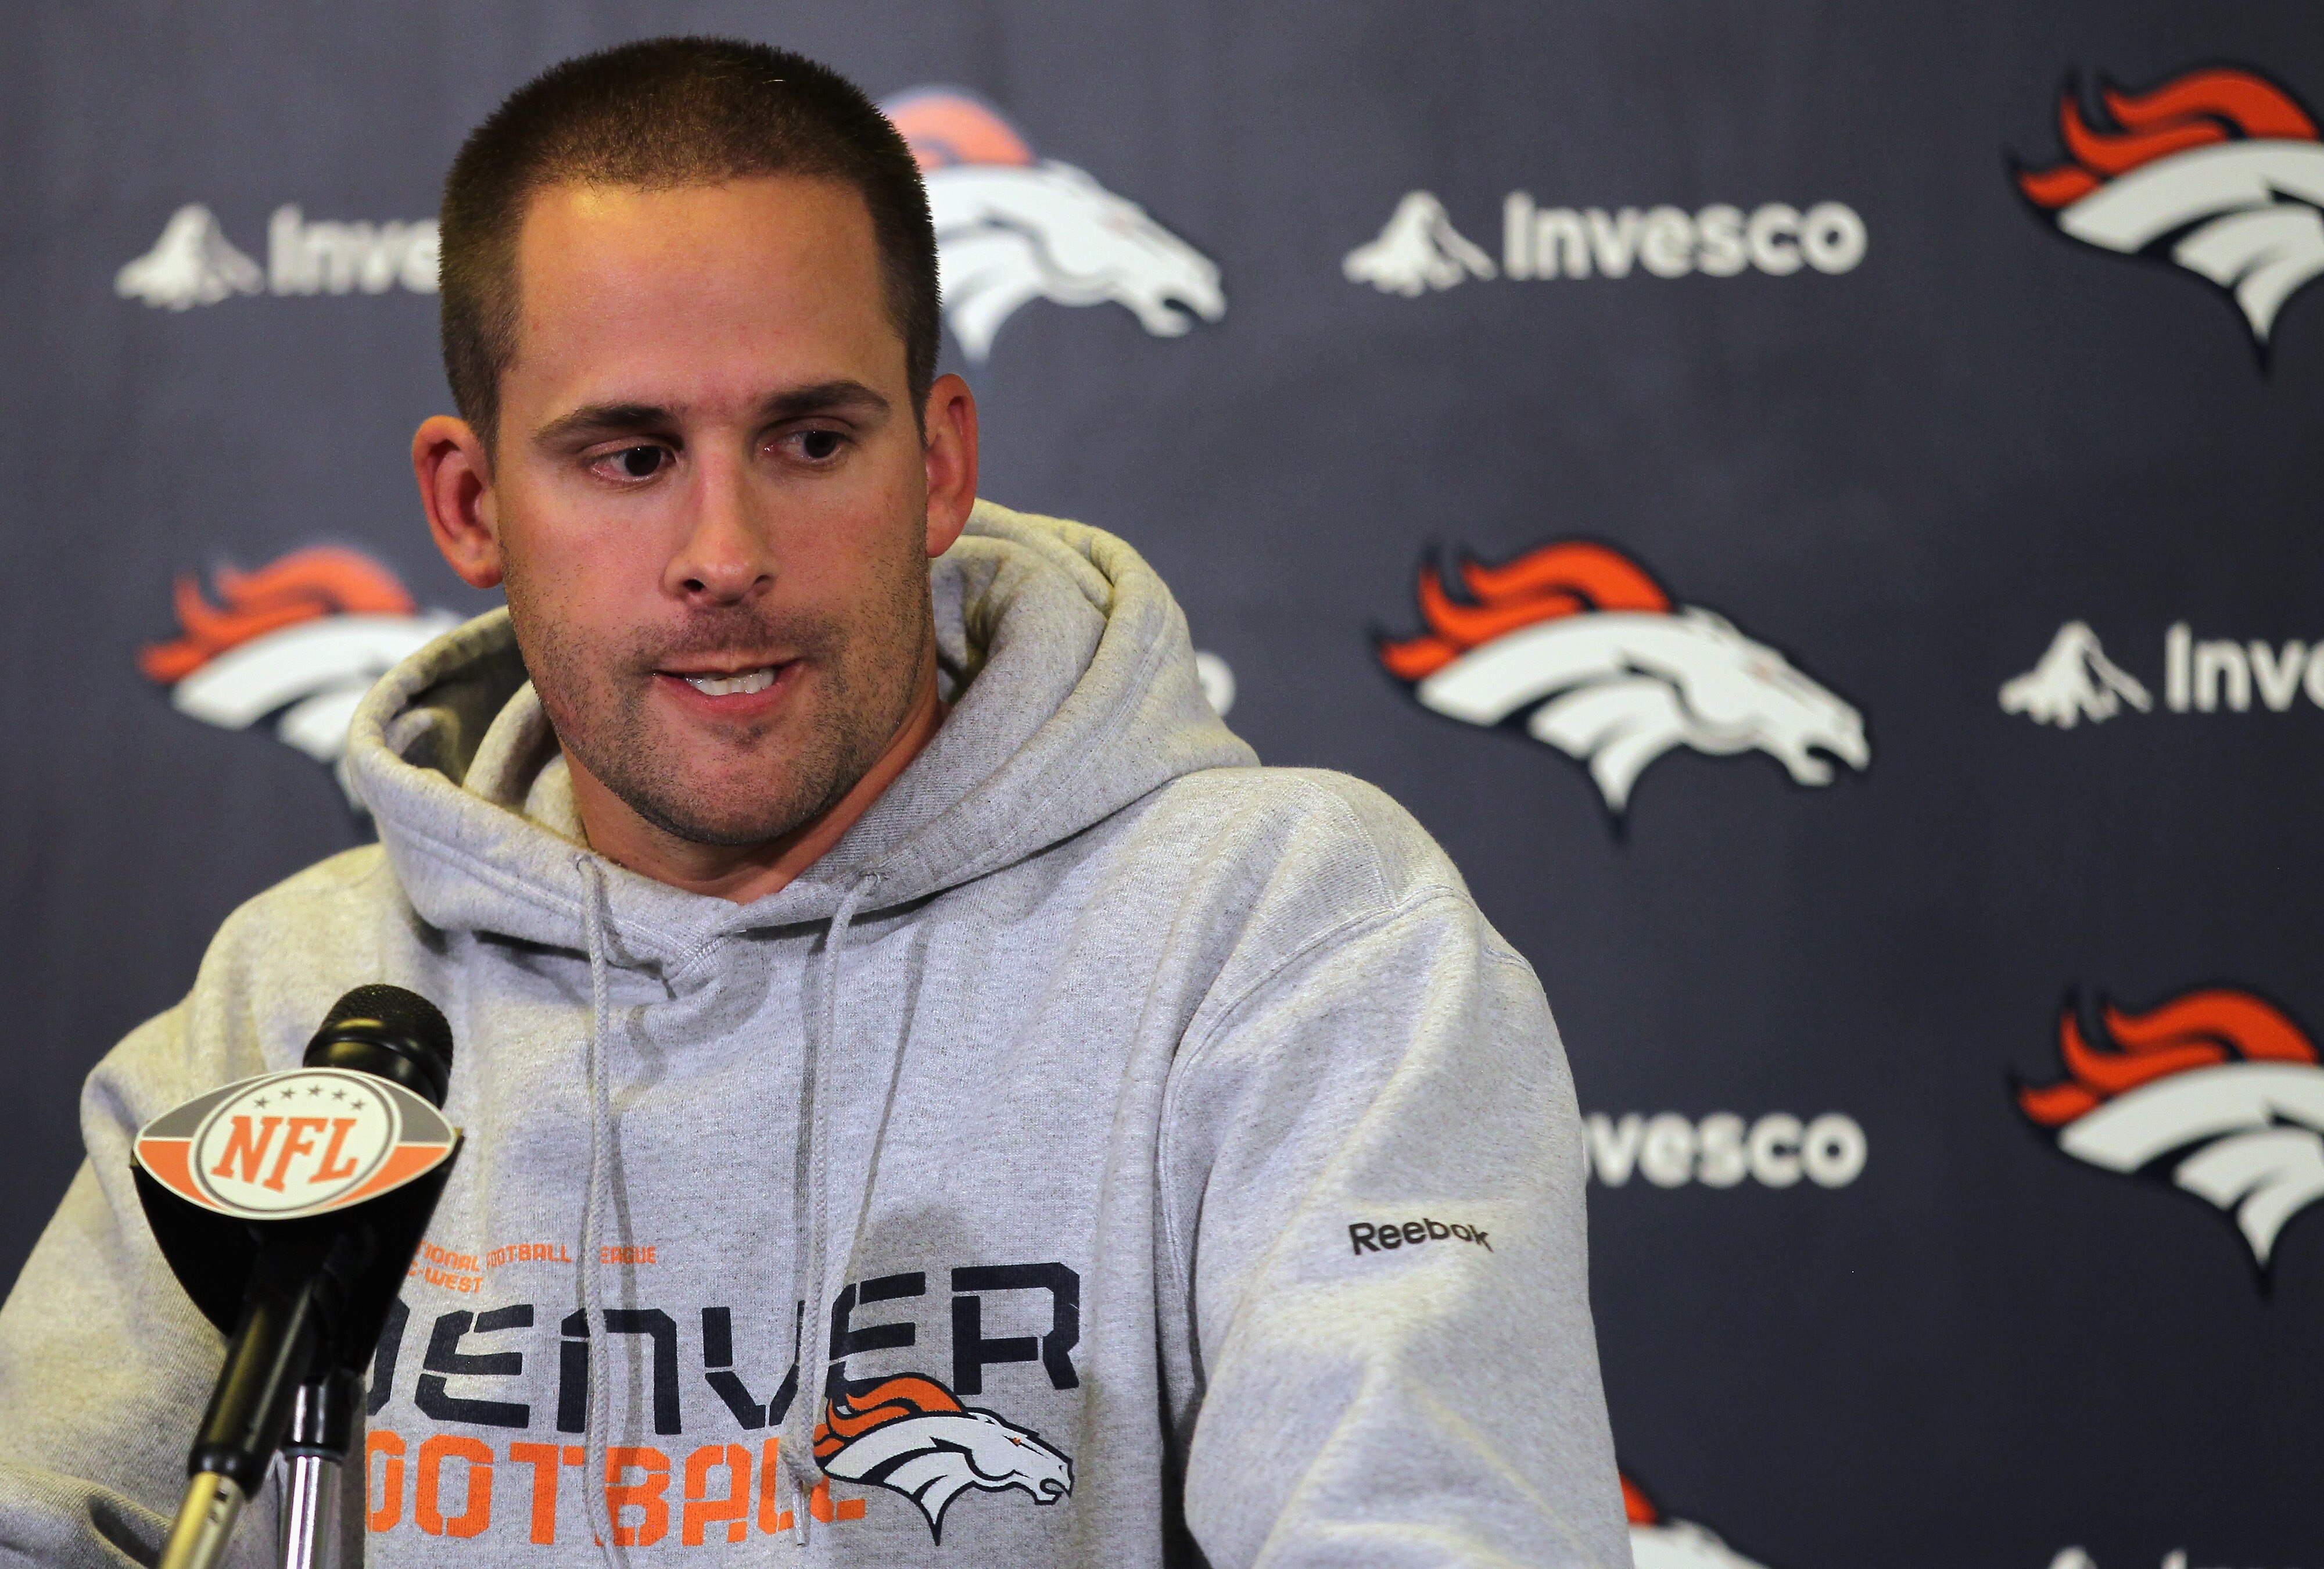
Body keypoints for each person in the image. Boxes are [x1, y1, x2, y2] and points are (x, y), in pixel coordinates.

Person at [0, 37, 1624, 1568]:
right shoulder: (296, 1013)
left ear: (936, 464)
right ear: (472, 504)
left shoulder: (1285, 940)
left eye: (809, 436)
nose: (727, 549)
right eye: (630, 455)